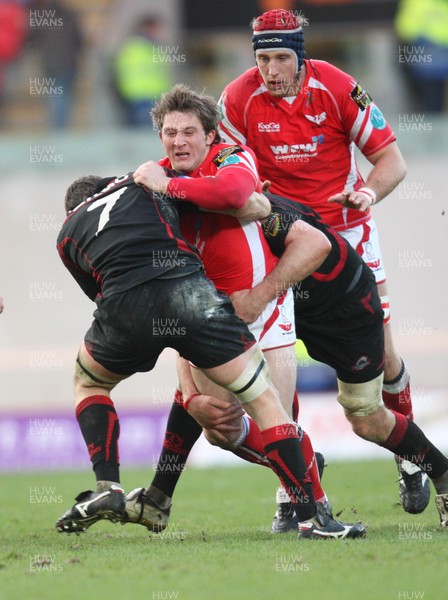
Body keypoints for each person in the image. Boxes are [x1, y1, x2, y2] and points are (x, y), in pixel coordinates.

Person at [55, 175, 363, 537]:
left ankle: (109, 486)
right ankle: (314, 520)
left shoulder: (65, 234)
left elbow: (99, 290)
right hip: (190, 295)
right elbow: (221, 198)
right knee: (264, 401)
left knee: (89, 382)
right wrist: (259, 202)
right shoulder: (145, 182)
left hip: (124, 306)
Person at [217, 7, 430, 516]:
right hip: (280, 245)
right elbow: (231, 172)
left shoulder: (338, 88)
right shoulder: (237, 99)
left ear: (301, 56)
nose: (271, 70)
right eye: (263, 58)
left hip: (349, 238)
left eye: (280, 58)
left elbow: (391, 162)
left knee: (384, 355)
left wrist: (367, 195)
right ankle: (295, 489)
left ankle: (412, 460)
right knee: (279, 365)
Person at [129, 83, 337, 535]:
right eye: (169, 132)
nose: (178, 141)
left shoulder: (228, 158)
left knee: (278, 416)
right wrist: (188, 388)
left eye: (189, 131)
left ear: (210, 136)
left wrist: (169, 185)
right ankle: (303, 471)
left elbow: (233, 193)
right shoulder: (152, 180)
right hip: (206, 317)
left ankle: (309, 511)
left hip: (264, 308)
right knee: (221, 429)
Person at [30, 0, 83, 128]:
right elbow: (79, 40)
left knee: (57, 99)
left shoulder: (43, 17)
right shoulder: (70, 16)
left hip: (52, 65)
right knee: (62, 98)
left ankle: (58, 133)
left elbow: (33, 40)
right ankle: (59, 131)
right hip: (68, 64)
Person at [113, 15, 172, 126]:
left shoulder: (150, 47)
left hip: (152, 96)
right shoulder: (136, 47)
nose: (160, 32)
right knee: (144, 132)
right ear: (149, 28)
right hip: (141, 96)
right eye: (157, 29)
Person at [395, 0, 448, 114]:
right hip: (432, 58)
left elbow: (405, 29)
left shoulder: (416, 3)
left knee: (432, 102)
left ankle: (434, 126)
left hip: (429, 58)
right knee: (433, 100)